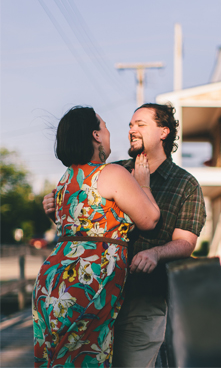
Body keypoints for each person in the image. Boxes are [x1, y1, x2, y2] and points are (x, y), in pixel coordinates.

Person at [43, 103, 207, 367]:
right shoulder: (112, 170)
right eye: (130, 125)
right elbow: (84, 225)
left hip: (141, 299)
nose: (131, 130)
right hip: (93, 292)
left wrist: (156, 253)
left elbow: (186, 242)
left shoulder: (185, 184)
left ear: (164, 132)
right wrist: (54, 211)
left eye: (140, 124)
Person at [33, 106, 160, 367]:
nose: (110, 131)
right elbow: (149, 219)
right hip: (90, 279)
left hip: (52, 281)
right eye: (105, 126)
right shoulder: (111, 173)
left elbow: (73, 230)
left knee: (59, 358)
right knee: (86, 357)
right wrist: (143, 182)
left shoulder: (66, 178)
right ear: (96, 135)